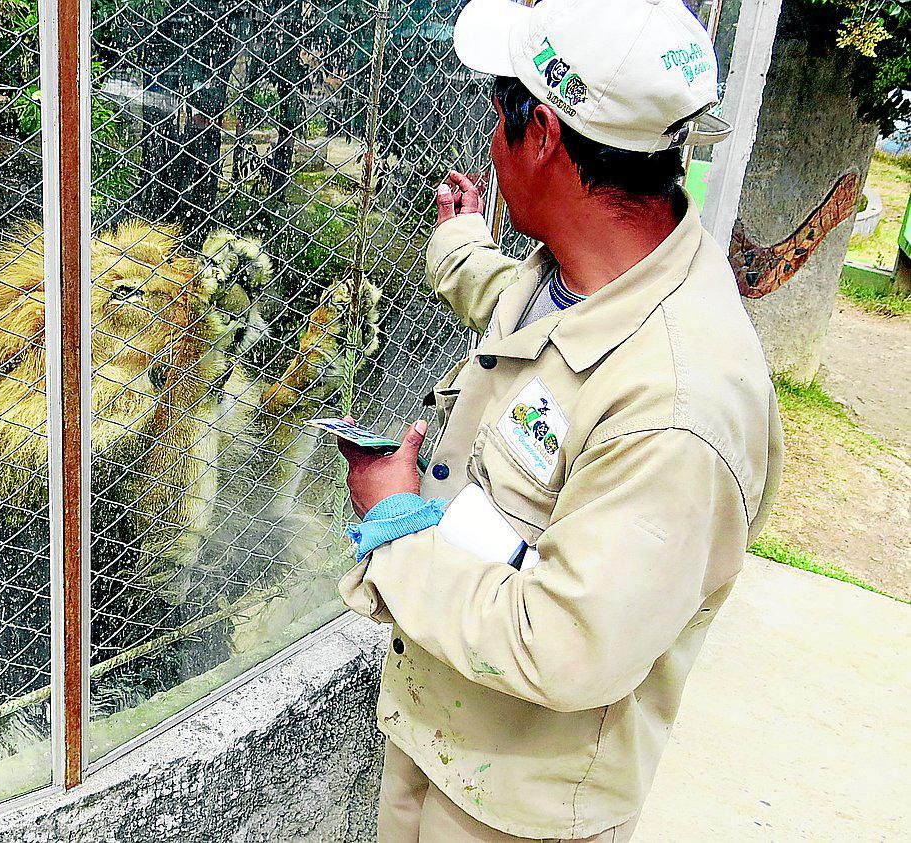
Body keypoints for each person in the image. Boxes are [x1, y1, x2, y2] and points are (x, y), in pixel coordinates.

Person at [336, 0, 784, 840]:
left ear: (541, 134)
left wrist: (394, 524)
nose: (490, 138)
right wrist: (457, 239)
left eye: (496, 114)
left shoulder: (676, 413)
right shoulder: (586, 273)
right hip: (440, 733)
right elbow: (518, 309)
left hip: (520, 809)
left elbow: (569, 644)